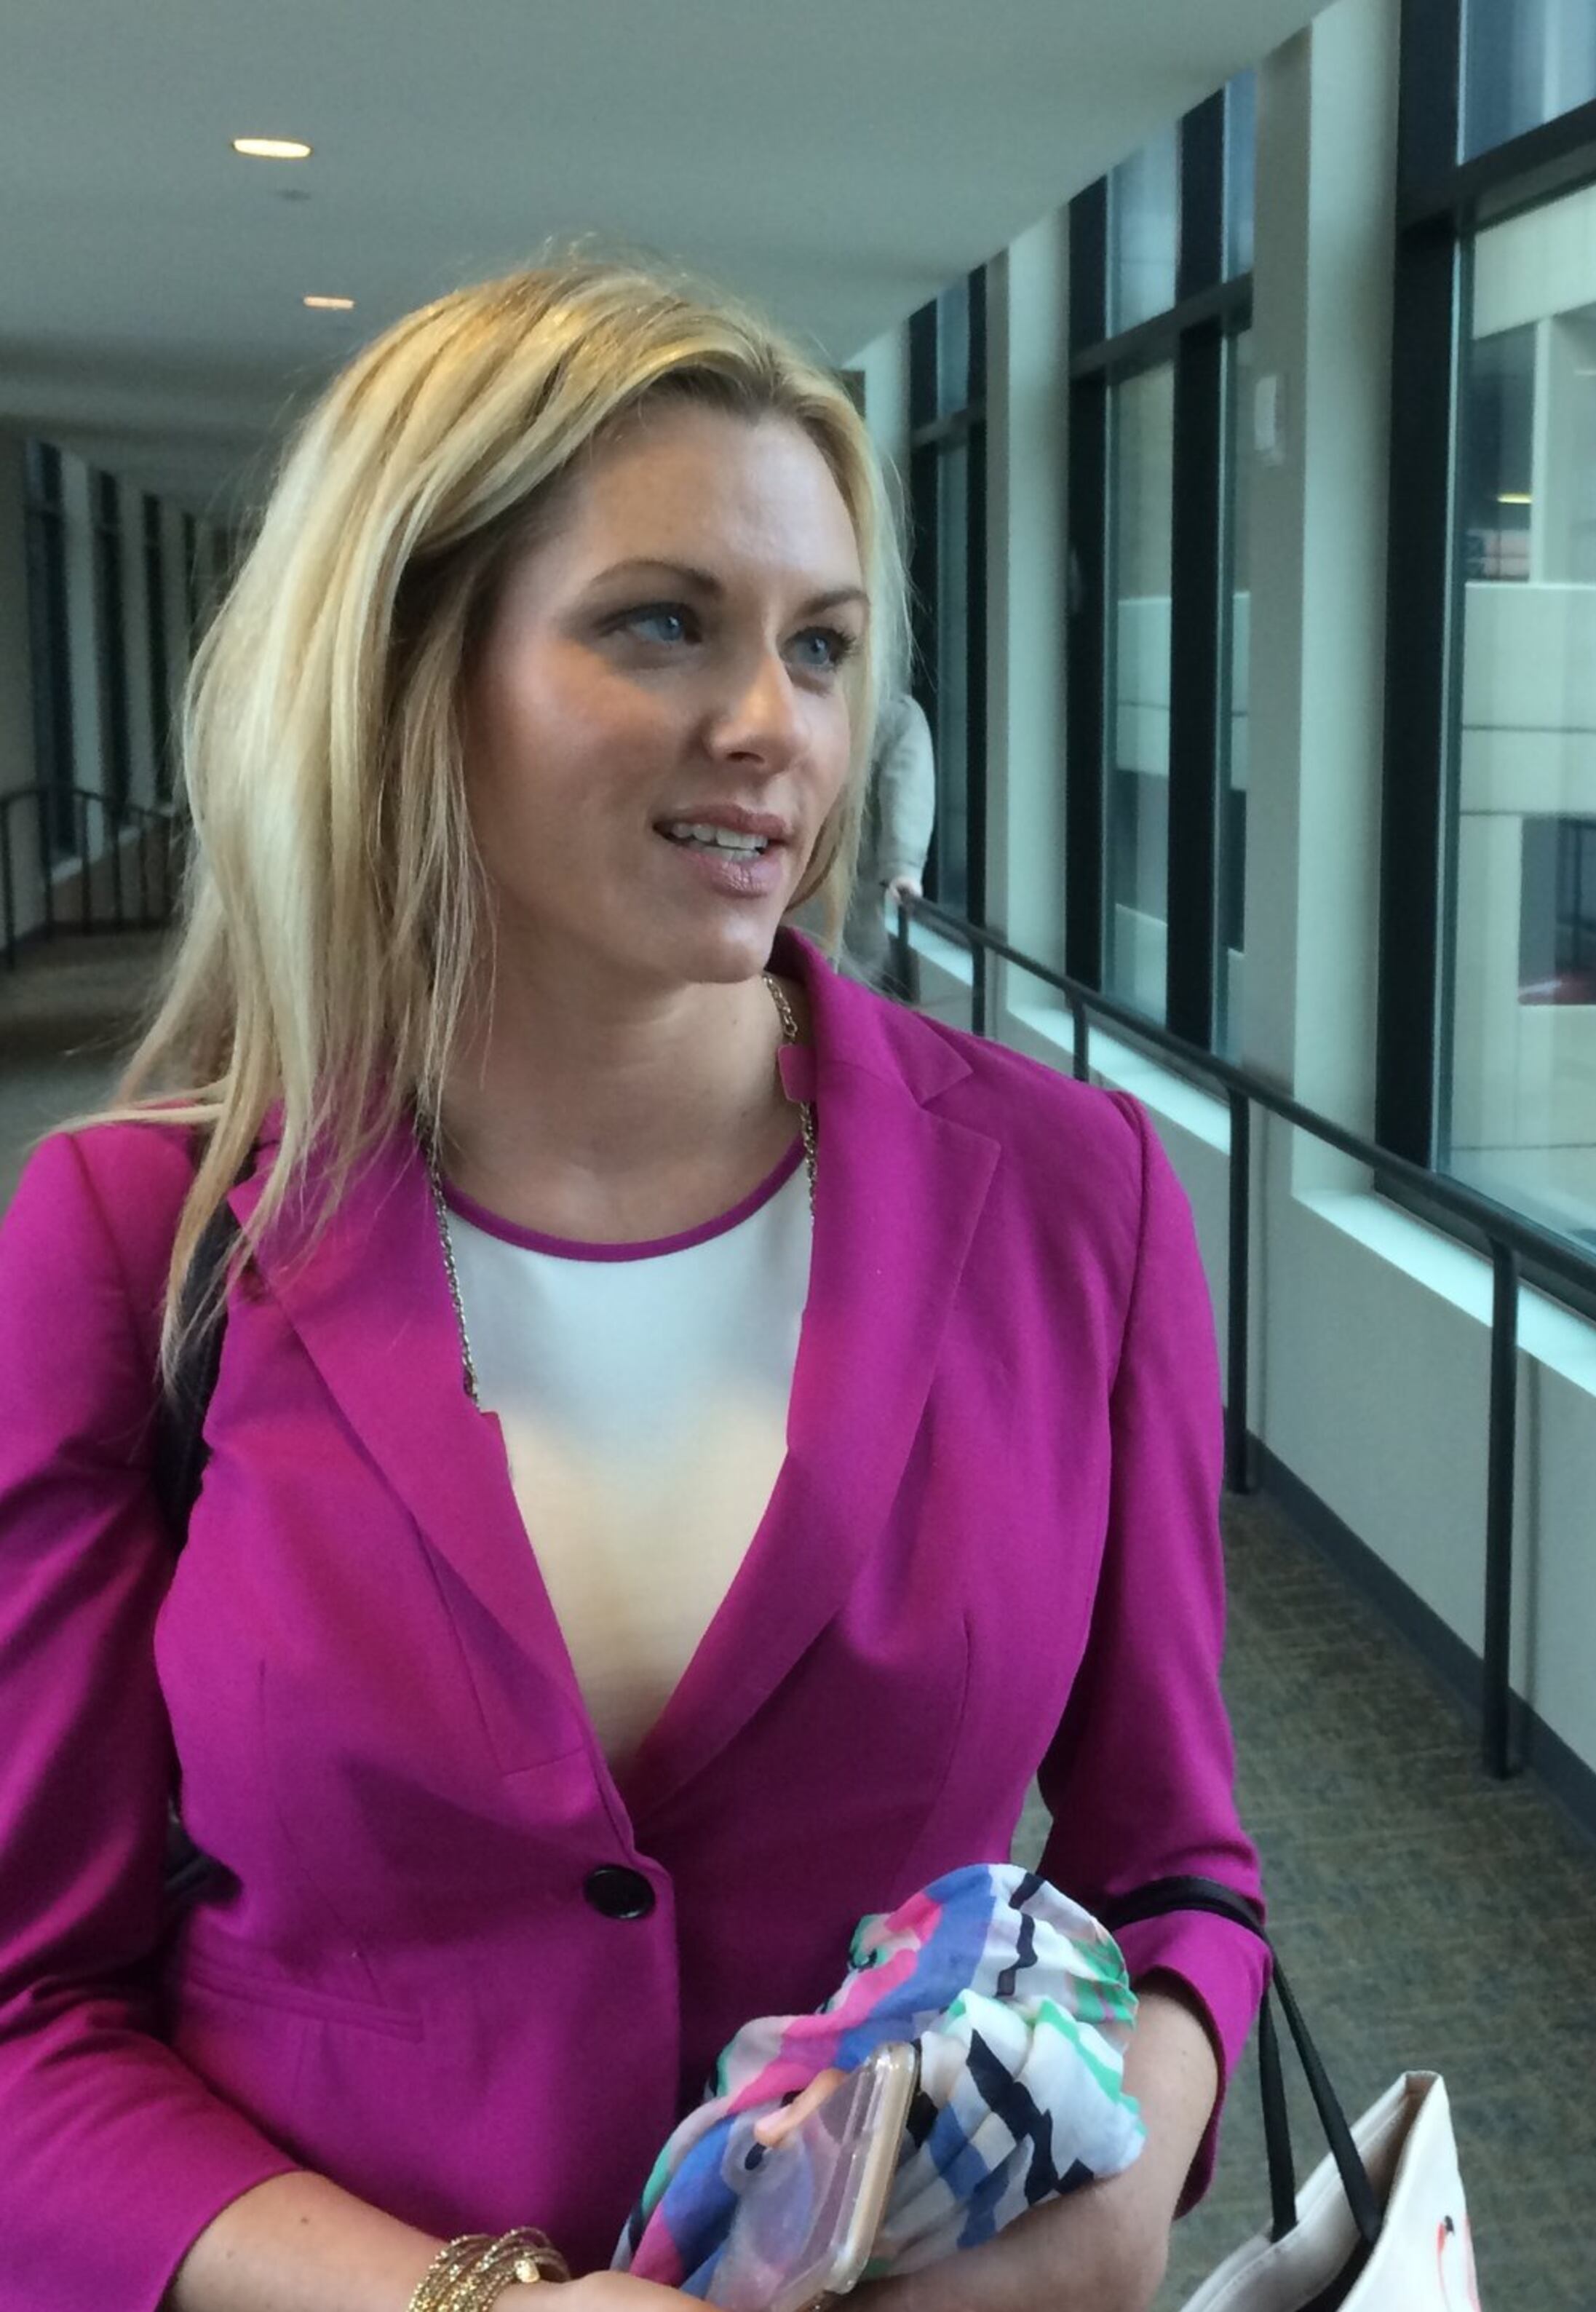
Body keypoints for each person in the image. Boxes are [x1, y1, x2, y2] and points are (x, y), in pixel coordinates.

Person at [0, 260, 1263, 2312]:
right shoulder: (138, 1241)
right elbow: (29, 2018)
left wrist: (1121, 2199)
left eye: (827, 647)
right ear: (419, 668)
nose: (776, 730)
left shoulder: (1068, 1197)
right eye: (662, 623)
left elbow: (1177, 1877)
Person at [842, 687, 934, 988]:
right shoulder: (893, 715)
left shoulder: (891, 715)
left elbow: (906, 790)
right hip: (849, 891)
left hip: (845, 882)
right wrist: (903, 867)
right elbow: (907, 787)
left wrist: (903, 866)